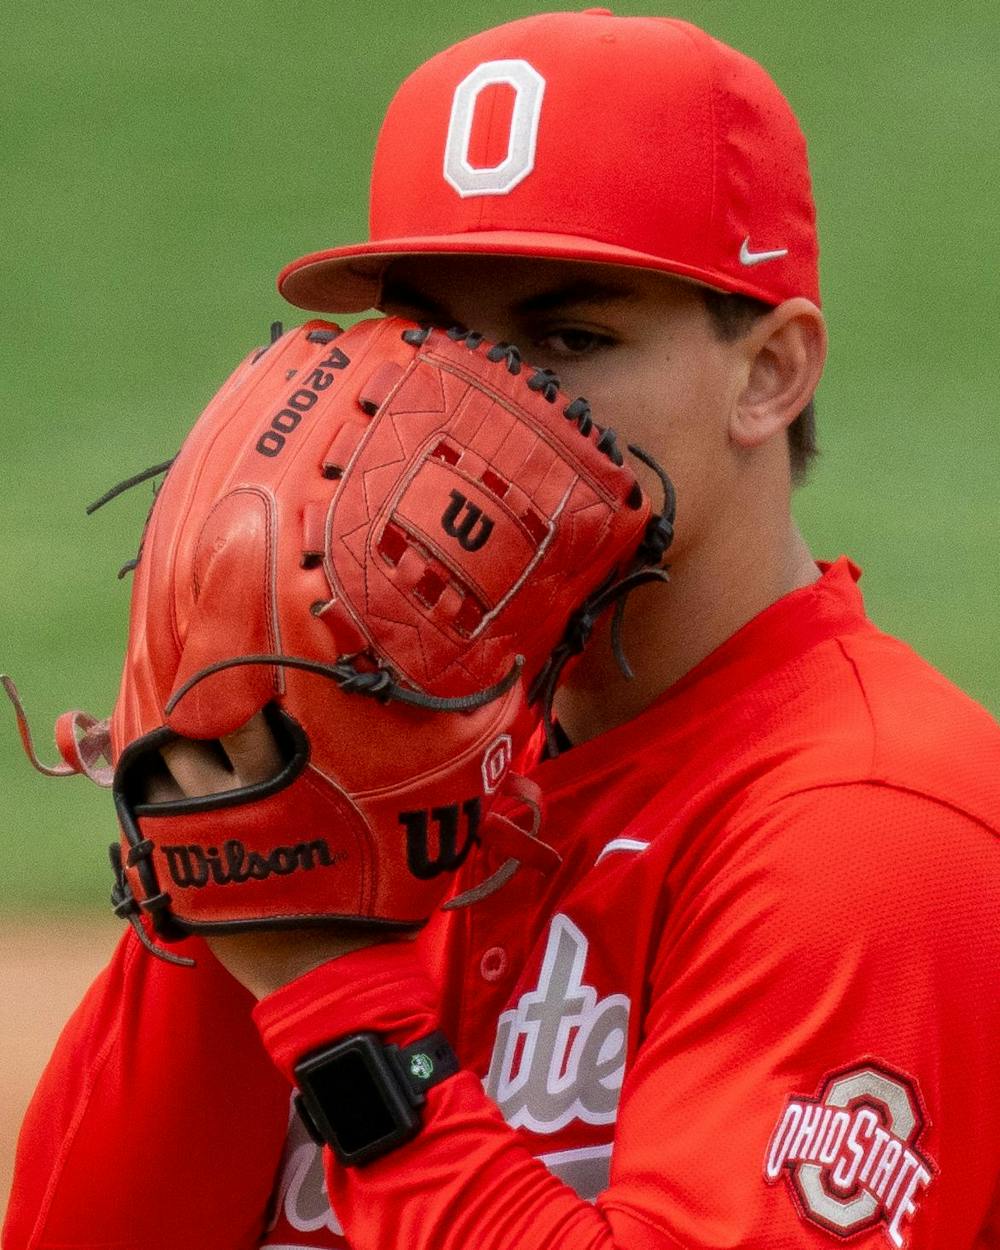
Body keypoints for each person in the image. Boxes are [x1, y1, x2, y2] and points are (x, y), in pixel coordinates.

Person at [5, 11, 999, 1250]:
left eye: (567, 339)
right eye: (435, 337)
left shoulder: (874, 823)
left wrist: (336, 1004)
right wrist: (215, 868)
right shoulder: (380, 760)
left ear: (770, 372)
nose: (472, 402)